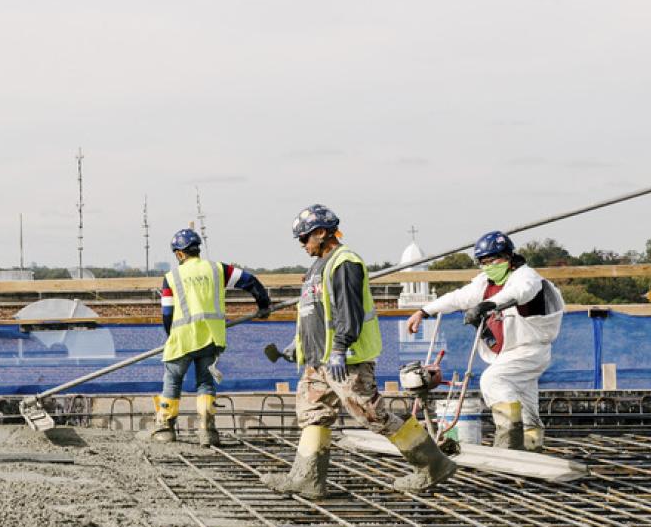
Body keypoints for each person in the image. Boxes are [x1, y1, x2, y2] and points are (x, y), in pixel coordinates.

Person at [261, 205, 457, 499]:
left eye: (305, 239)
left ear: (321, 233)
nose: (302, 245)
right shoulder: (318, 266)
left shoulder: (345, 262)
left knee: (372, 415)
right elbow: (314, 313)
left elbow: (348, 311)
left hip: (345, 360)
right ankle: (307, 478)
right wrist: (299, 346)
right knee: (313, 413)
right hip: (319, 361)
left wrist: (340, 347)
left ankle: (432, 464)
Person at [404, 231, 563, 451]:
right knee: (527, 407)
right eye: (484, 262)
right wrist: (424, 311)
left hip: (529, 350)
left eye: (493, 260)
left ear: (508, 257)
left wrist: (486, 306)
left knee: (493, 381)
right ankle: (532, 451)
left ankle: (509, 445)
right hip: (506, 353)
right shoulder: (485, 283)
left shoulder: (526, 277)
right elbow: (458, 297)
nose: (489, 266)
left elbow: (521, 292)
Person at [154, 228, 272, 446]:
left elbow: (168, 313)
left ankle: (165, 430)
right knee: (206, 383)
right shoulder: (218, 269)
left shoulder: (171, 277)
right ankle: (207, 431)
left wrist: (171, 335)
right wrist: (263, 306)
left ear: (179, 254)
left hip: (182, 338)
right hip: (211, 339)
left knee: (172, 381)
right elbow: (251, 281)